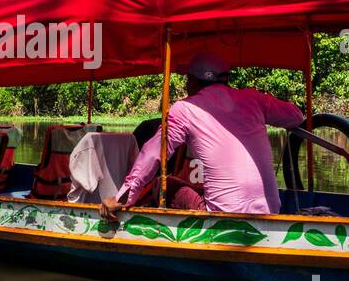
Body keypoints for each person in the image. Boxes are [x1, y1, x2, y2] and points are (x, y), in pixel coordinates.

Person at [100, 52, 304, 221]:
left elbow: (152, 154)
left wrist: (123, 198)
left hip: (223, 218)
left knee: (163, 183)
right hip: (271, 211)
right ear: (226, 79)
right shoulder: (253, 98)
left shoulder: (186, 108)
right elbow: (296, 116)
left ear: (192, 81)